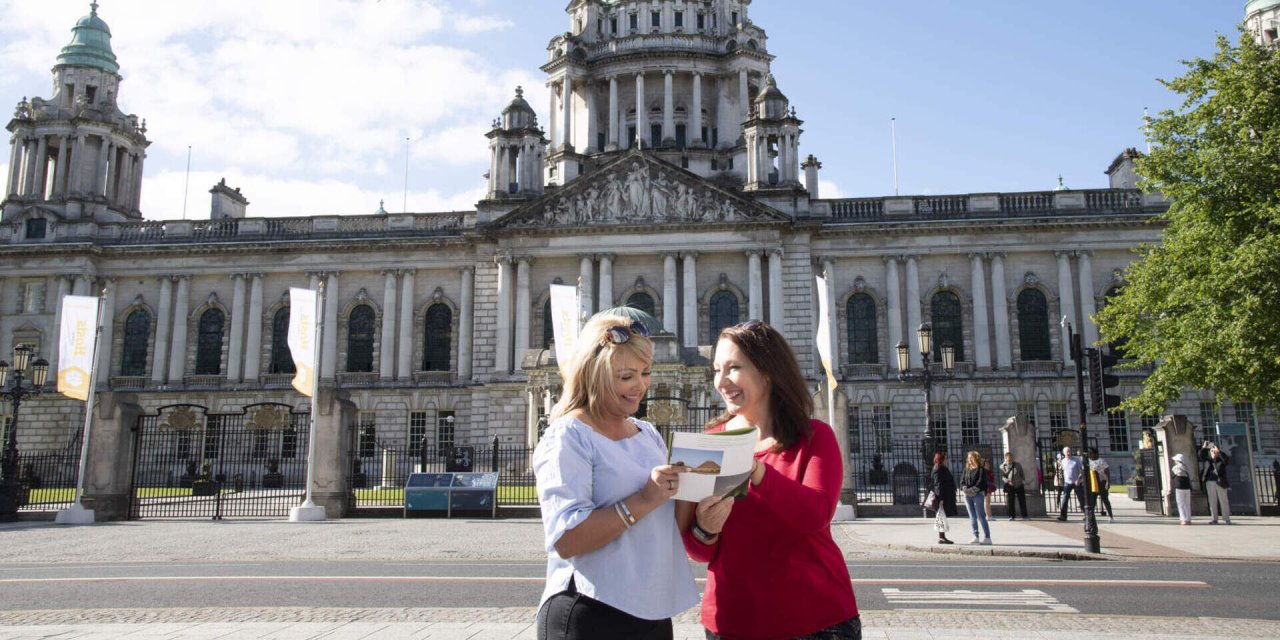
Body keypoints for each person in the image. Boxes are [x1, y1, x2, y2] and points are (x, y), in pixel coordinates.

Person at [681, 320, 860, 640]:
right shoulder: (712, 442)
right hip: (731, 622)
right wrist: (705, 529)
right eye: (716, 370)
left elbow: (816, 515)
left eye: (733, 368)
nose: (721, 382)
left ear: (767, 370)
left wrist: (759, 472)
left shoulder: (814, 436)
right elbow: (699, 551)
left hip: (815, 621)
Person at [533, 314, 697, 640]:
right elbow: (567, 538)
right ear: (595, 374)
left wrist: (702, 496)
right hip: (590, 607)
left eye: (646, 373)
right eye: (626, 376)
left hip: (651, 609)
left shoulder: (648, 433)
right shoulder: (568, 435)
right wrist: (644, 498)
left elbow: (663, 522)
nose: (640, 385)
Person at [958, 450, 992, 544]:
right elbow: (962, 481)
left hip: (977, 494)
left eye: (971, 457)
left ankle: (987, 537)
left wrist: (972, 490)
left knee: (981, 516)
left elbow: (981, 482)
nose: (969, 459)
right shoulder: (966, 469)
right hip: (967, 495)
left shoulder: (981, 470)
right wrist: (965, 489)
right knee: (972, 517)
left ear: (976, 458)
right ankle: (975, 536)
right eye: (968, 458)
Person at [927, 451, 958, 544]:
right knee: (940, 516)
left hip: (945, 495)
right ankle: (941, 537)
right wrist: (940, 498)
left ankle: (942, 536)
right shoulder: (938, 469)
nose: (947, 460)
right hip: (941, 496)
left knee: (941, 516)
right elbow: (938, 484)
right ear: (941, 460)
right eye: (945, 458)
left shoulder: (942, 468)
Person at [1199, 441, 1232, 525]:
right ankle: (1214, 518)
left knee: (1223, 500)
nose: (1213, 453)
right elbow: (1200, 456)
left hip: (1220, 481)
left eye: (1214, 451)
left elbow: (1226, 460)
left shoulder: (1221, 459)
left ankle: (1226, 518)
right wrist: (1204, 448)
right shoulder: (1208, 459)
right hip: (1210, 481)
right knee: (1212, 500)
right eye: (1211, 451)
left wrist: (1219, 452)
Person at [1056, 446, 1085, 521]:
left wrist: (1079, 479)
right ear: (1064, 453)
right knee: (1065, 499)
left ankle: (1087, 514)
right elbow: (1061, 471)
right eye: (1067, 452)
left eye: (1069, 451)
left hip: (1076, 482)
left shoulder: (1076, 460)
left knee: (1081, 499)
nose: (1068, 453)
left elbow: (1082, 471)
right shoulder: (1063, 461)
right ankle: (1063, 516)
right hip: (1067, 482)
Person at [1087, 447, 1114, 523]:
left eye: (1091, 453)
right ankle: (1090, 516)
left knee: (1105, 499)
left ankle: (1110, 515)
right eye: (1089, 453)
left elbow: (1107, 472)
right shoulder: (1088, 461)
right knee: (1092, 500)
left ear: (1095, 453)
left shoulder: (1101, 461)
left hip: (1102, 482)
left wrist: (1108, 482)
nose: (1090, 454)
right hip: (1093, 482)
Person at [1000, 452, 1029, 521]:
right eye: (1009, 458)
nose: (1010, 460)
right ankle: (1011, 516)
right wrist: (1008, 481)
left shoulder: (1017, 465)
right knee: (1011, 501)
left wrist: (1022, 481)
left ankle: (1024, 515)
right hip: (1010, 486)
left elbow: (1022, 473)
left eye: (1011, 458)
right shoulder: (1002, 466)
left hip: (1019, 485)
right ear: (1006, 458)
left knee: (1022, 501)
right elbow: (1003, 477)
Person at [1170, 453, 1193, 525]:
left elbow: (1173, 474)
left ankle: (1183, 519)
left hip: (1179, 487)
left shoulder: (1176, 467)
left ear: (1178, 460)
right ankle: (1188, 519)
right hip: (1187, 487)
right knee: (1187, 504)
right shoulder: (1186, 467)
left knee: (1180, 504)